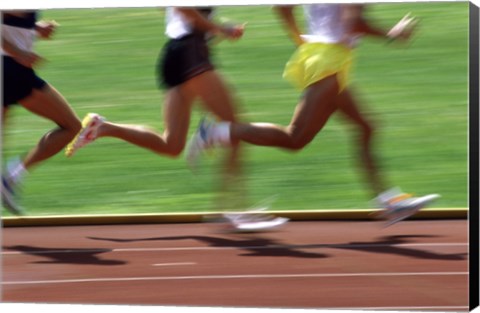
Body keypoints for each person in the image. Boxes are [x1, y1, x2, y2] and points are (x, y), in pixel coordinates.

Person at [186, 4, 440, 226]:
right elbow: (354, 23)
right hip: (330, 62)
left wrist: (301, 39)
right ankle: (215, 132)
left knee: (365, 127)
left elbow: (282, 8)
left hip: (323, 57)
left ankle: (389, 200)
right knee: (294, 138)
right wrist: (392, 33)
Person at [65, 7, 288, 231]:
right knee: (234, 130)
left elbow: (186, 16)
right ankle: (233, 208)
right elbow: (185, 8)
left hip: (176, 53)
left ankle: (104, 128)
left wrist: (220, 29)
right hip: (190, 55)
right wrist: (219, 29)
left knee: (171, 145)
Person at [2, 11, 82, 215]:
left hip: (12, 70)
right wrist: (19, 52)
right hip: (11, 71)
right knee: (71, 126)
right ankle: (12, 176)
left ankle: (11, 177)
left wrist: (36, 28)